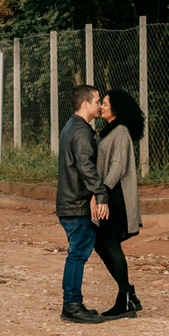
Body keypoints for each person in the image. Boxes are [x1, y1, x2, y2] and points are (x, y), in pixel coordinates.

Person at [55, 83, 109, 323]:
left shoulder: (70, 126)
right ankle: (72, 305)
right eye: (97, 101)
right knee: (77, 255)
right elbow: (85, 166)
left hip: (69, 202)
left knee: (76, 253)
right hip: (76, 204)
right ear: (85, 104)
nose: (100, 106)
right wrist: (101, 194)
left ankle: (73, 303)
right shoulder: (82, 131)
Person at [92, 87, 145, 319]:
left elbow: (118, 164)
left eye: (105, 103)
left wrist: (102, 191)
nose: (101, 106)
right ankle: (129, 294)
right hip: (109, 194)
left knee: (110, 244)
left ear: (116, 108)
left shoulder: (121, 131)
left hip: (115, 195)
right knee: (101, 243)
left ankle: (125, 298)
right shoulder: (110, 131)